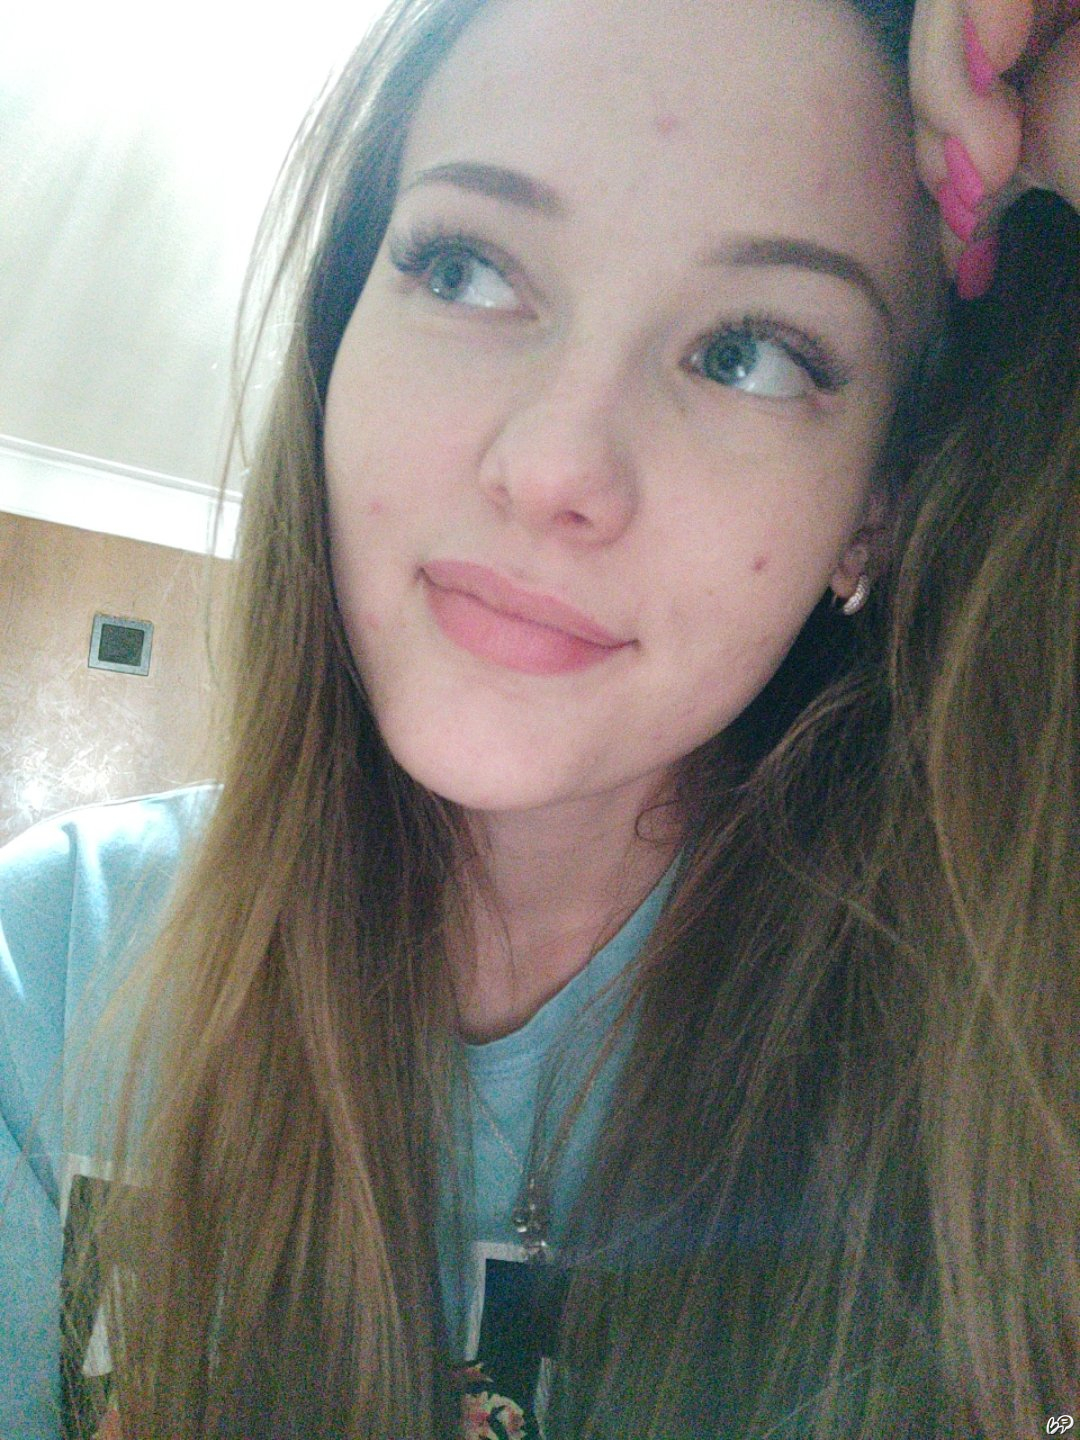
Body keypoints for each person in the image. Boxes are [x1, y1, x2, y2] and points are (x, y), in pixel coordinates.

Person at [1, 0, 1076, 1436]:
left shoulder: (1000, 1071)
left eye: (750, 353)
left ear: (871, 511)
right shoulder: (46, 969)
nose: (556, 465)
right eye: (465, 269)